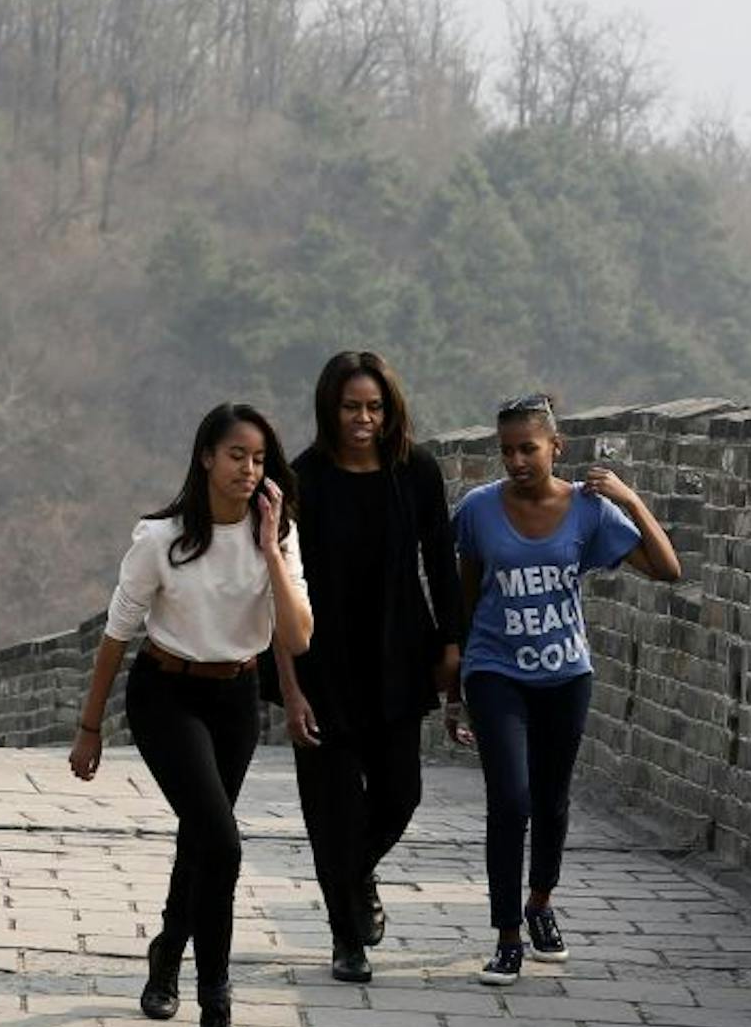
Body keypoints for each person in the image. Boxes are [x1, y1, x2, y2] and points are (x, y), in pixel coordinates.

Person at [69, 403, 313, 1027]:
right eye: (236, 454)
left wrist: (270, 550)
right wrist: (90, 728)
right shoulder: (161, 538)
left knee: (202, 837)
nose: (248, 469)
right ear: (207, 456)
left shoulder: (279, 535)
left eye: (260, 459)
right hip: (166, 695)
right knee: (224, 844)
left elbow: (296, 638)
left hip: (236, 698)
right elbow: (117, 634)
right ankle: (216, 1011)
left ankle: (169, 949)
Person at [450, 393, 681, 985]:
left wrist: (628, 499)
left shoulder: (589, 510)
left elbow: (666, 569)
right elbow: (466, 597)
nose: (517, 461)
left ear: (557, 447)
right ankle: (506, 937)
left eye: (528, 448)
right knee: (511, 801)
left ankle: (541, 904)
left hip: (564, 675)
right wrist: (453, 687)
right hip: (494, 669)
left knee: (551, 800)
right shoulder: (478, 510)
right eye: (506, 450)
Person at [272, 351, 462, 985]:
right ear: (330, 408)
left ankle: (353, 878)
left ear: (390, 410)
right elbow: (279, 589)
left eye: (374, 407)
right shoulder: (303, 481)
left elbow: (440, 562)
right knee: (330, 809)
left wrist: (451, 644)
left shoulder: (417, 473)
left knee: (399, 793)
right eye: (351, 406)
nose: (363, 418)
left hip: (396, 657)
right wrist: (290, 687)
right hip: (322, 662)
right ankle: (344, 939)